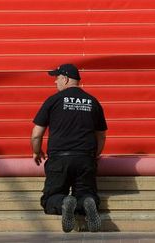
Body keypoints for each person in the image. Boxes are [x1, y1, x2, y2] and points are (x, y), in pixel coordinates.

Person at [31, 64, 107, 233]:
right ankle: (88, 202)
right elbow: (101, 135)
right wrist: (94, 156)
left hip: (59, 159)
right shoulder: (92, 101)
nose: (55, 82)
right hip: (85, 158)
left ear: (65, 79)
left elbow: (36, 134)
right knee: (87, 193)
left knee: (50, 198)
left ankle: (63, 202)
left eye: (56, 78)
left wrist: (36, 151)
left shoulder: (53, 100)